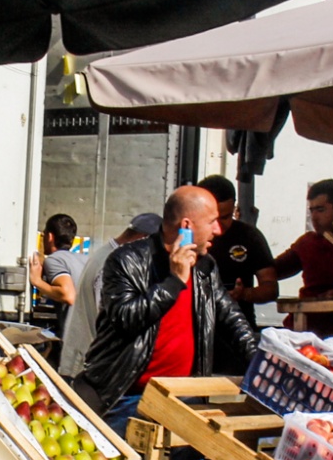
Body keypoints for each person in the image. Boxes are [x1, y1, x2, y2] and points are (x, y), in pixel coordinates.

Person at [75, 186, 257, 438]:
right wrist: (174, 282)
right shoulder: (127, 260)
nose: (219, 229)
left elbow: (230, 317)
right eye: (213, 221)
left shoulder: (205, 266)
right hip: (125, 395)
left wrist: (260, 362)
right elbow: (125, 319)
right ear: (187, 225)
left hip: (184, 396)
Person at [241, 179, 333, 335]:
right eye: (311, 210)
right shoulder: (307, 242)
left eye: (320, 210)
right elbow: (273, 270)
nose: (314, 217)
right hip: (302, 329)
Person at [58, 214, 159, 378]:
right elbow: (111, 321)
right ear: (143, 239)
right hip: (88, 368)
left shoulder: (105, 253)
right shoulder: (114, 263)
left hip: (83, 363)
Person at [196, 175, 272, 326]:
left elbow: (270, 288)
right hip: (195, 326)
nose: (218, 227)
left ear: (234, 208)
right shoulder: (187, 235)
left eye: (225, 217)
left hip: (237, 327)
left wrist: (244, 294)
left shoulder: (249, 236)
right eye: (212, 219)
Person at [28, 213, 85, 306]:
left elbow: (68, 295)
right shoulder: (84, 259)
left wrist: (37, 281)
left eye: (44, 234)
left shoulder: (54, 259)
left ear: (50, 237)